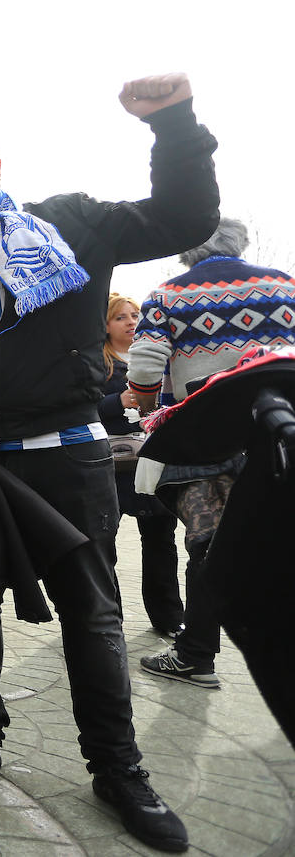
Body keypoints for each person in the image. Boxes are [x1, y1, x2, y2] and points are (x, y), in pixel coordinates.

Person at [0, 73, 219, 854]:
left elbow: (186, 215)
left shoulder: (71, 224)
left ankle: (117, 769)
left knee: (93, 616)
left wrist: (174, 123)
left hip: (69, 457)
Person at [127, 219, 295, 690]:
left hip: (200, 435)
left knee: (208, 541)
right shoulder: (284, 285)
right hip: (272, 431)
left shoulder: (167, 295)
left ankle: (195, 654)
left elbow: (143, 367)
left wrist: (148, 404)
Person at [98, 294, 181, 638]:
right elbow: (81, 411)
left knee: (161, 540)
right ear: (104, 326)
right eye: (120, 317)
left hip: (151, 462)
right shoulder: (97, 363)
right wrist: (118, 401)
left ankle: (169, 618)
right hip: (110, 467)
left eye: (135, 315)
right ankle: (106, 619)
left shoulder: (158, 360)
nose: (131, 322)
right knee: (104, 544)